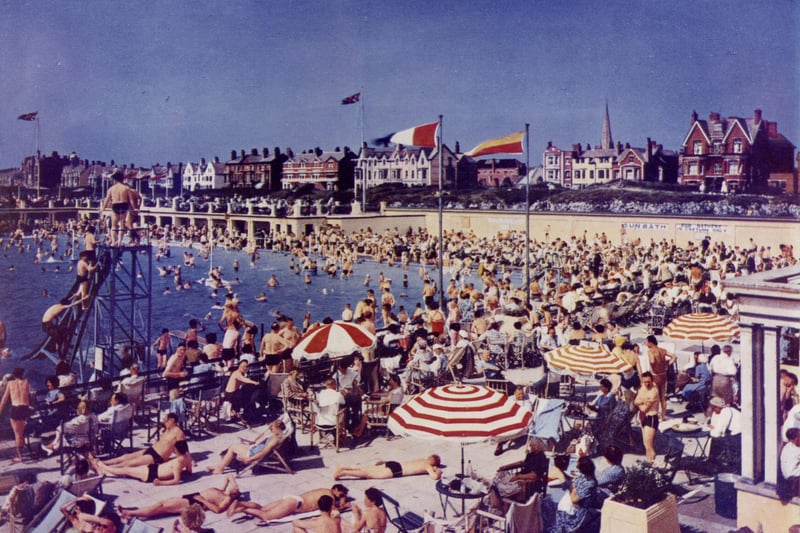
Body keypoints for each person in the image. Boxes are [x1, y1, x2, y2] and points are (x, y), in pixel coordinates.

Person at [120, 474, 242, 521]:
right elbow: (229, 476)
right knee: (162, 505)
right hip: (192, 497)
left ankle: (130, 512)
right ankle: (134, 515)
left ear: (235, 496)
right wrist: (235, 485)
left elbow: (218, 510)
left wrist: (202, 500)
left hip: (195, 503)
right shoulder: (223, 491)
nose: (234, 489)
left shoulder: (227, 500)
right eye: (234, 488)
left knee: (162, 506)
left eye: (235, 491)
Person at [94, 412, 185, 468]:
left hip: (157, 457)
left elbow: (183, 450)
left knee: (129, 463)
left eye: (165, 421)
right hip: (151, 450)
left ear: (172, 420)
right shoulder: (168, 430)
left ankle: (104, 467)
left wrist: (188, 461)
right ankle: (102, 462)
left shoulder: (178, 433)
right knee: (126, 457)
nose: (164, 423)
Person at [229, 484, 349, 522]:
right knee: (266, 516)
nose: (340, 497)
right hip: (295, 504)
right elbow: (335, 511)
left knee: (263, 508)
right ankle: (243, 509)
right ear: (336, 490)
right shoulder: (330, 497)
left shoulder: (324, 490)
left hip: (293, 498)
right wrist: (345, 503)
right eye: (341, 494)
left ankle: (241, 503)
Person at [95, 439, 192, 485]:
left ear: (178, 450)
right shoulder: (188, 457)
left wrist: (160, 483)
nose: (174, 451)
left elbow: (176, 480)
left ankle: (104, 467)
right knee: (129, 471)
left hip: (151, 474)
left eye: (175, 450)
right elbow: (189, 471)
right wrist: (179, 471)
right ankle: (107, 471)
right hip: (154, 469)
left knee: (127, 470)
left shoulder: (178, 463)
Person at [207, 419, 286, 474]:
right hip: (254, 449)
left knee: (232, 448)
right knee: (233, 446)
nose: (270, 430)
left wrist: (249, 459)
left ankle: (220, 469)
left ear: (278, 428)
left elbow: (264, 452)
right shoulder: (277, 436)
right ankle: (219, 466)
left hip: (253, 453)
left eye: (272, 428)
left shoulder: (275, 439)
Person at [553, 456, 598, 533]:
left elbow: (574, 499)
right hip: (572, 506)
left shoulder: (590, 484)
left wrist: (573, 489)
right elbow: (572, 486)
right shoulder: (583, 477)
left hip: (576, 514)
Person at [0, 367, 32, 463]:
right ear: (22, 374)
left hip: (15, 408)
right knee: (21, 434)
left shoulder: (10, 383)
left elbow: (4, 400)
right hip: (25, 409)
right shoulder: (26, 382)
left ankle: (20, 456)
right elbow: (27, 398)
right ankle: (20, 453)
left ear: (14, 375)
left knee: (17, 435)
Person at [333, 455, 443, 480]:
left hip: (394, 464)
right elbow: (434, 477)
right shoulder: (427, 465)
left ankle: (343, 467)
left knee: (367, 468)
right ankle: (343, 473)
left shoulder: (421, 460)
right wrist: (438, 472)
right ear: (434, 464)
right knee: (368, 474)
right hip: (397, 470)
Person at [100, 170, 132, 246]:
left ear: (115, 179)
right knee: (122, 224)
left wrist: (102, 209)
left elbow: (106, 200)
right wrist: (133, 208)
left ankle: (114, 241)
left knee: (114, 225)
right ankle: (120, 241)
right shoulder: (126, 188)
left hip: (115, 205)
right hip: (124, 205)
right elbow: (130, 199)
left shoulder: (111, 189)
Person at [646, 335, 673, 420]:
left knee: (655, 397)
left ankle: (656, 414)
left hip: (655, 375)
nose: (646, 344)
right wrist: (668, 364)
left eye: (646, 342)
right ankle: (663, 416)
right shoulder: (662, 350)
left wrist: (652, 365)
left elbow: (652, 361)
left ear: (650, 342)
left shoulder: (650, 351)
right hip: (663, 375)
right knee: (663, 397)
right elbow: (674, 356)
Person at [634, 372, 660, 462]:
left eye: (649, 382)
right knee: (645, 445)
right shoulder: (642, 388)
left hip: (651, 418)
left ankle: (652, 463)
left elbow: (644, 408)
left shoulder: (654, 392)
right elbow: (635, 401)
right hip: (643, 418)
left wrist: (641, 402)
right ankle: (648, 463)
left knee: (649, 446)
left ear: (652, 381)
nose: (647, 384)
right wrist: (642, 401)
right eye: (645, 382)